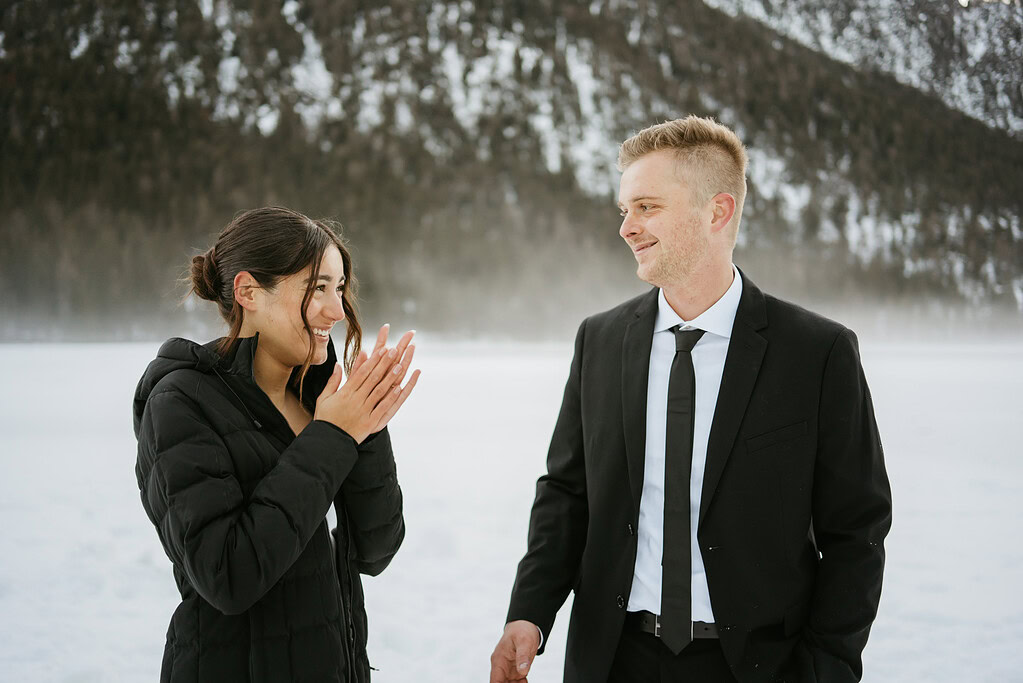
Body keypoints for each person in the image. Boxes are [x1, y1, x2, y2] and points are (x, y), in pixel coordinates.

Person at [490, 117, 892, 683]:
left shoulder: (817, 352)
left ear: (717, 212)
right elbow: (566, 492)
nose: (627, 227)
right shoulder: (600, 341)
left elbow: (857, 531)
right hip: (612, 660)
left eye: (647, 207)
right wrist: (529, 612)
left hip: (758, 667)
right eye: (624, 210)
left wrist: (827, 668)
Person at [133, 206, 419, 682]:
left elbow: (376, 550)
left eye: (339, 288)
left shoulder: (318, 397)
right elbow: (228, 576)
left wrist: (364, 428)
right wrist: (334, 437)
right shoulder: (182, 403)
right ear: (249, 292)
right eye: (317, 288)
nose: (336, 309)